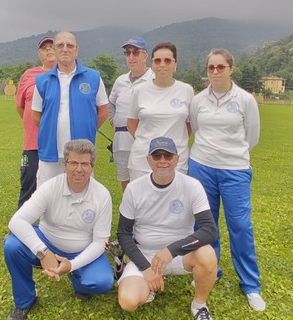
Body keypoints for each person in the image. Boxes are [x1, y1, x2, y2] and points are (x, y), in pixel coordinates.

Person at [188, 48, 265, 311]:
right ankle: (212, 269)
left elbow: (251, 136)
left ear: (231, 69)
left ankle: (251, 285)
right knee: (206, 225)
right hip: (201, 167)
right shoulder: (198, 101)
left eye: (221, 67)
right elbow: (197, 129)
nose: (216, 72)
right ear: (207, 70)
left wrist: (230, 156)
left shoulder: (245, 99)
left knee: (240, 225)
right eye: (211, 67)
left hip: (234, 169)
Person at [4, 139, 114, 320]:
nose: (79, 169)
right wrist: (42, 251)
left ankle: (76, 278)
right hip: (48, 242)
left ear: (92, 166)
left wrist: (72, 264)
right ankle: (25, 301)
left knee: (102, 282)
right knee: (12, 246)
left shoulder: (102, 195)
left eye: (85, 164)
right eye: (73, 163)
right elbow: (17, 221)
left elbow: (100, 242)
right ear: (65, 164)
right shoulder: (50, 187)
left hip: (82, 248)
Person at [117, 136, 218, 320]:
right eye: (156, 156)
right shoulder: (134, 189)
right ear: (148, 159)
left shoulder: (192, 186)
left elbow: (210, 230)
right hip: (145, 254)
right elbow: (123, 234)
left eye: (168, 156)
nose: (162, 161)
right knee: (128, 302)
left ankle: (200, 305)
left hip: (180, 254)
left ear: (177, 159)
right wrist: (146, 268)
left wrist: (171, 250)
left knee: (207, 254)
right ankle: (147, 285)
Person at [31, 31, 109, 187]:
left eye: (70, 45)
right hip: (51, 154)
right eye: (60, 45)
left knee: (82, 197)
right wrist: (52, 128)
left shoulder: (93, 77)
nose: (65, 49)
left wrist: (86, 127)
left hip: (82, 154)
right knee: (48, 198)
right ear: (54, 49)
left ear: (77, 50)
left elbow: (103, 111)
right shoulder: (42, 81)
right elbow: (36, 115)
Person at [127, 42, 193, 181]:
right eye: (157, 60)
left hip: (176, 161)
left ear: (175, 64)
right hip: (142, 161)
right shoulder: (139, 90)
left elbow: (188, 125)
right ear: (152, 64)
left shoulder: (186, 90)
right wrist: (147, 141)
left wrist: (174, 141)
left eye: (168, 60)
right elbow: (131, 123)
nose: (162, 64)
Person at [15, 37, 57, 208]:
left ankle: (52, 229)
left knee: (55, 187)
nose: (48, 50)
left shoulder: (65, 74)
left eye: (51, 47)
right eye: (44, 48)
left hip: (55, 143)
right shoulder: (28, 75)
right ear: (39, 54)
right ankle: (19, 230)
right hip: (32, 144)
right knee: (28, 184)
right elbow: (20, 108)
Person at [109, 36, 154, 191]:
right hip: (121, 141)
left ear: (145, 56)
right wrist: (112, 121)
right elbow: (111, 103)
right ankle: (129, 214)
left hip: (142, 142)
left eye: (136, 52)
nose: (131, 57)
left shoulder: (153, 79)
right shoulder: (120, 80)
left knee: (145, 182)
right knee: (125, 182)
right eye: (127, 53)